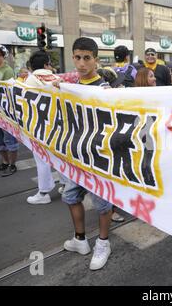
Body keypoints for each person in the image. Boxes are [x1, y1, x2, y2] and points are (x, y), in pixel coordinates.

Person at [60, 37, 113, 271]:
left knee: (102, 202)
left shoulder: (104, 90)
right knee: (71, 196)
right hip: (74, 154)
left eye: (87, 58)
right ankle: (80, 239)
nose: (81, 63)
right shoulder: (69, 86)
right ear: (73, 58)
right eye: (77, 58)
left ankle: (103, 242)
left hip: (97, 157)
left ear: (96, 60)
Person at [24, 50, 61, 205]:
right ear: (47, 64)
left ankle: (44, 192)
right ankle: (65, 185)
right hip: (59, 124)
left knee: (41, 158)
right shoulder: (57, 78)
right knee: (60, 156)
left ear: (32, 67)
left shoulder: (30, 80)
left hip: (39, 125)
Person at [0, 44, 19, 177]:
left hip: (6, 111)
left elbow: (10, 92)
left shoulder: (8, 71)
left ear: (4, 56)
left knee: (9, 139)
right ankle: (5, 162)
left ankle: (12, 165)